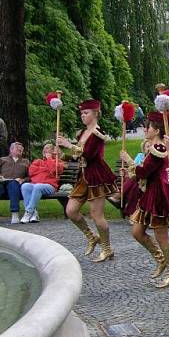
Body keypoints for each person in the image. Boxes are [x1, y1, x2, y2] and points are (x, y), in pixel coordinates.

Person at [120, 111, 169, 287]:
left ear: (157, 129)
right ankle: (161, 259)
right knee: (137, 232)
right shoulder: (153, 147)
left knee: (162, 236)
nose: (145, 129)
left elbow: (144, 171)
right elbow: (142, 172)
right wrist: (131, 172)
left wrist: (129, 161)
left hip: (158, 195)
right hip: (149, 194)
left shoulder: (159, 148)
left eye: (148, 127)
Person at [57, 99, 118, 262]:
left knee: (97, 215)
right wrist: (64, 155)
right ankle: (91, 236)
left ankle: (107, 248)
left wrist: (68, 144)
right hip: (83, 176)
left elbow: (89, 155)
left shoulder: (98, 133)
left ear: (95, 113)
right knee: (71, 211)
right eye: (81, 113)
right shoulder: (82, 133)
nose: (82, 116)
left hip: (96, 176)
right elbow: (79, 156)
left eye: (86, 113)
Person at [0, 141, 29, 225]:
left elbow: (29, 176)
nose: (20, 149)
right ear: (11, 150)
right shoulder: (2, 159)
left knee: (13, 184)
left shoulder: (25, 161)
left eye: (21, 148)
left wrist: (23, 180)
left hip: (15, 184)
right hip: (2, 182)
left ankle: (15, 214)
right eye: (17, 148)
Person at [21, 143, 65, 223]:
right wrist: (46, 169)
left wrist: (49, 159)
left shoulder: (58, 162)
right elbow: (31, 172)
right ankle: (34, 214)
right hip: (35, 185)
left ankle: (29, 211)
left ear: (53, 151)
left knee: (38, 186)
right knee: (25, 186)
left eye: (47, 148)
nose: (45, 150)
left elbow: (53, 170)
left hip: (50, 186)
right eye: (44, 148)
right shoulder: (38, 161)